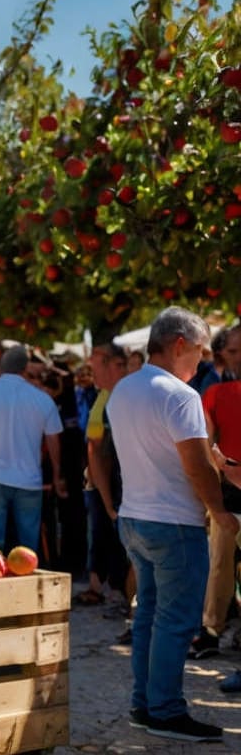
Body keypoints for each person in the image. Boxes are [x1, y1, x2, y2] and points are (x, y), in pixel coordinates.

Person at [108, 306, 236, 742]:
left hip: (136, 517)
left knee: (148, 617)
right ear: (179, 344)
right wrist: (220, 511)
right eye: (199, 352)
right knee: (176, 621)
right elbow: (196, 466)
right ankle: (163, 710)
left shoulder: (124, 389)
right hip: (174, 523)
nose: (202, 362)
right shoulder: (180, 394)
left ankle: (145, 705)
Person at [0, 345, 65, 552]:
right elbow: (54, 441)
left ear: (1, 366)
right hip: (28, 480)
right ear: (25, 367)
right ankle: (26, 583)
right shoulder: (42, 399)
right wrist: (57, 475)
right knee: (28, 547)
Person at [192, 324, 241, 659]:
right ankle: (211, 630)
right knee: (220, 565)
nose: (236, 357)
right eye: (233, 351)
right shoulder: (214, 395)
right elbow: (206, 447)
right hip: (228, 487)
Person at [77, 344, 131, 618]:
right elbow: (94, 449)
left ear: (115, 365)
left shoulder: (121, 398)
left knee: (124, 548)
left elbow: (103, 452)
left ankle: (128, 601)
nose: (91, 371)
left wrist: (110, 501)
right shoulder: (104, 396)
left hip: (118, 486)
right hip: (103, 486)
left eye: (96, 365)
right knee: (107, 541)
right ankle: (116, 595)